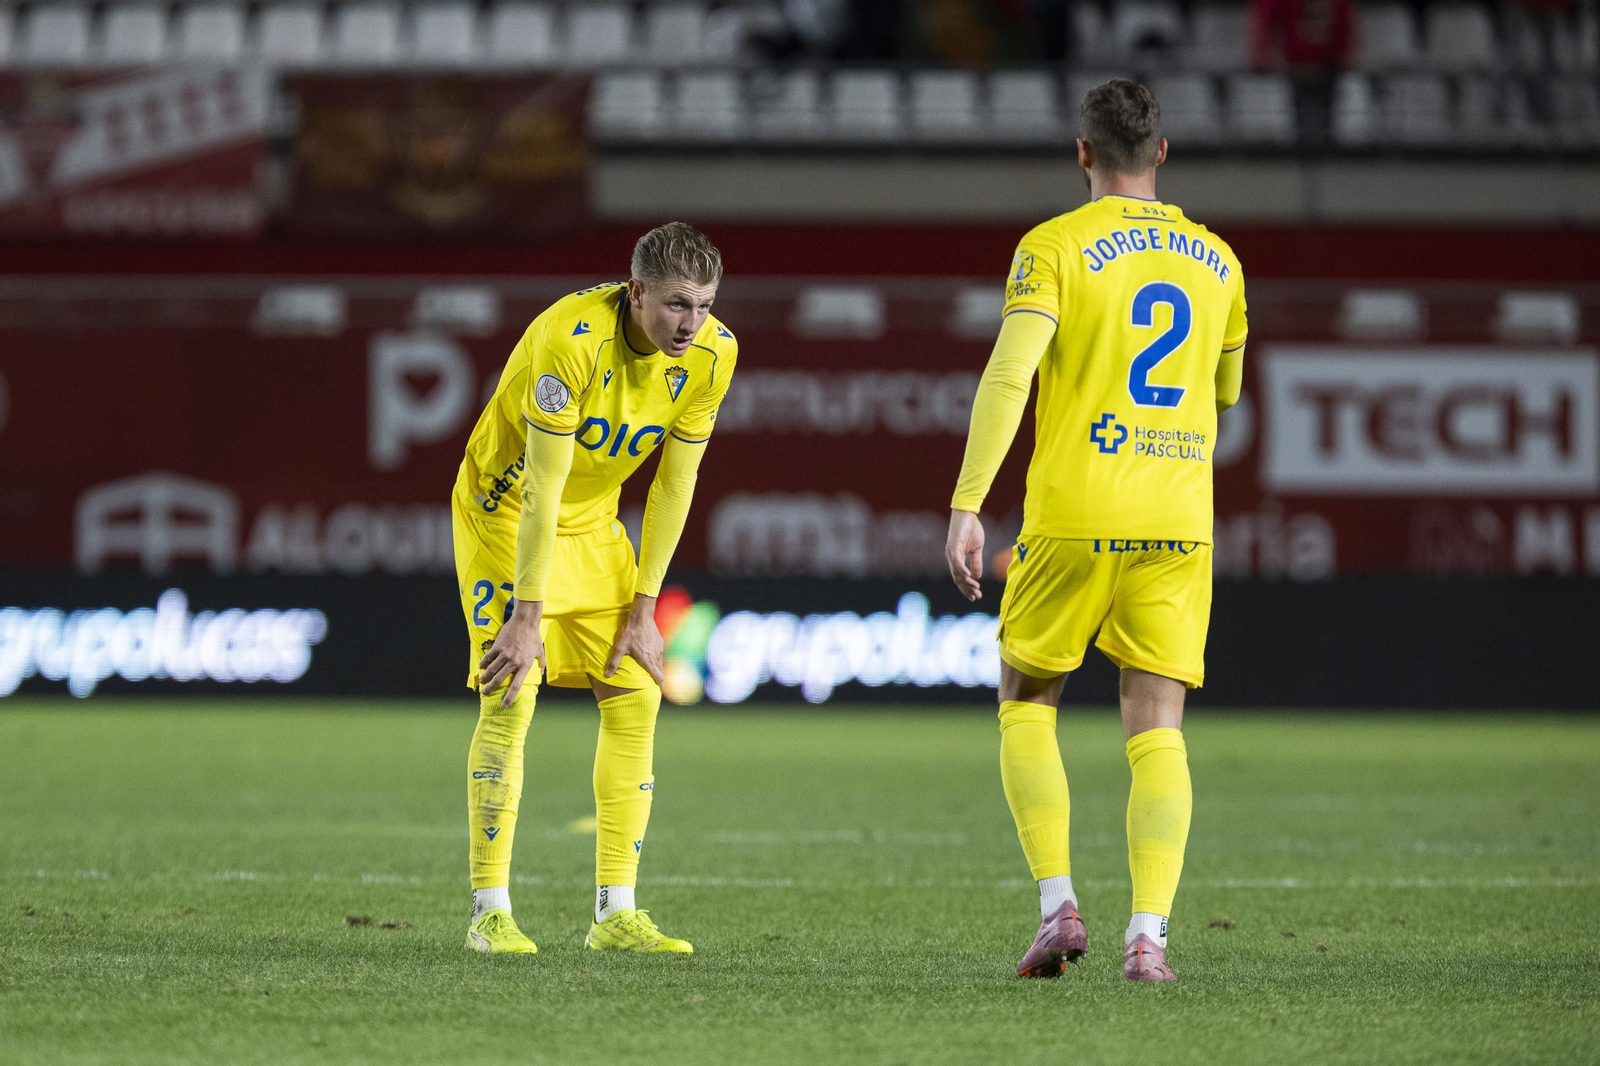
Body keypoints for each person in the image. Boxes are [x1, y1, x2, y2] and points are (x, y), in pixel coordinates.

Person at [944, 80, 1247, 983]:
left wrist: (968, 500)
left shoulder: (1055, 248)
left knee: (1026, 700)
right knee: (1158, 728)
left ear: (1082, 152)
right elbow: (1224, 395)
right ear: (1162, 152)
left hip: (1076, 512)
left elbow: (1009, 377)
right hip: (1177, 521)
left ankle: (1058, 907)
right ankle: (1148, 935)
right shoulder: (1221, 262)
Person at [453, 222, 737, 955]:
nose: (692, 323)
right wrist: (526, 617)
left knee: (637, 689)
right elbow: (542, 488)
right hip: (505, 518)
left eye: (704, 305)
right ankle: (490, 912)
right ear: (636, 292)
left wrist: (645, 609)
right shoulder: (568, 340)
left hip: (596, 522)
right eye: (677, 304)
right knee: (511, 692)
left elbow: (677, 484)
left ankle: (616, 914)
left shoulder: (713, 355)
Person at [1247, 0, 1357, 150]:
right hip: (1293, 68)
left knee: (1325, 112)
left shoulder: (1338, 5)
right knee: (1298, 113)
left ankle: (1324, 144)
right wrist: (1264, 55)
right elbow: (1264, 21)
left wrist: (1343, 57)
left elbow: (1347, 29)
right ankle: (1300, 144)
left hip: (1328, 68)